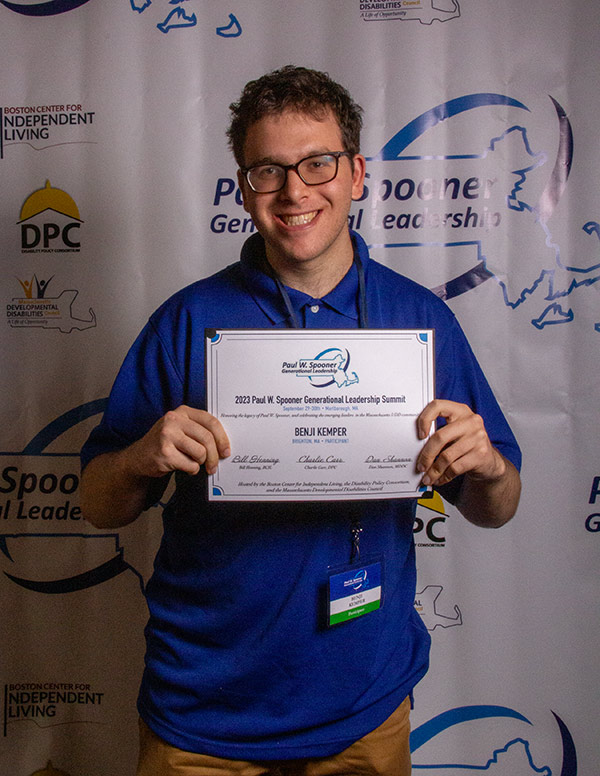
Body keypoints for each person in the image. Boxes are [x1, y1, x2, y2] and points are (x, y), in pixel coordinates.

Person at [81, 65, 521, 775]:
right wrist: (140, 457)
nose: (294, 191)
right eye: (268, 170)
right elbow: (98, 504)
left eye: (317, 163)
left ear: (356, 173)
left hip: (364, 713)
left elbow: (498, 507)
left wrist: (488, 465)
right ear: (243, 186)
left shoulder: (421, 320)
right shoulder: (187, 320)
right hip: (201, 718)